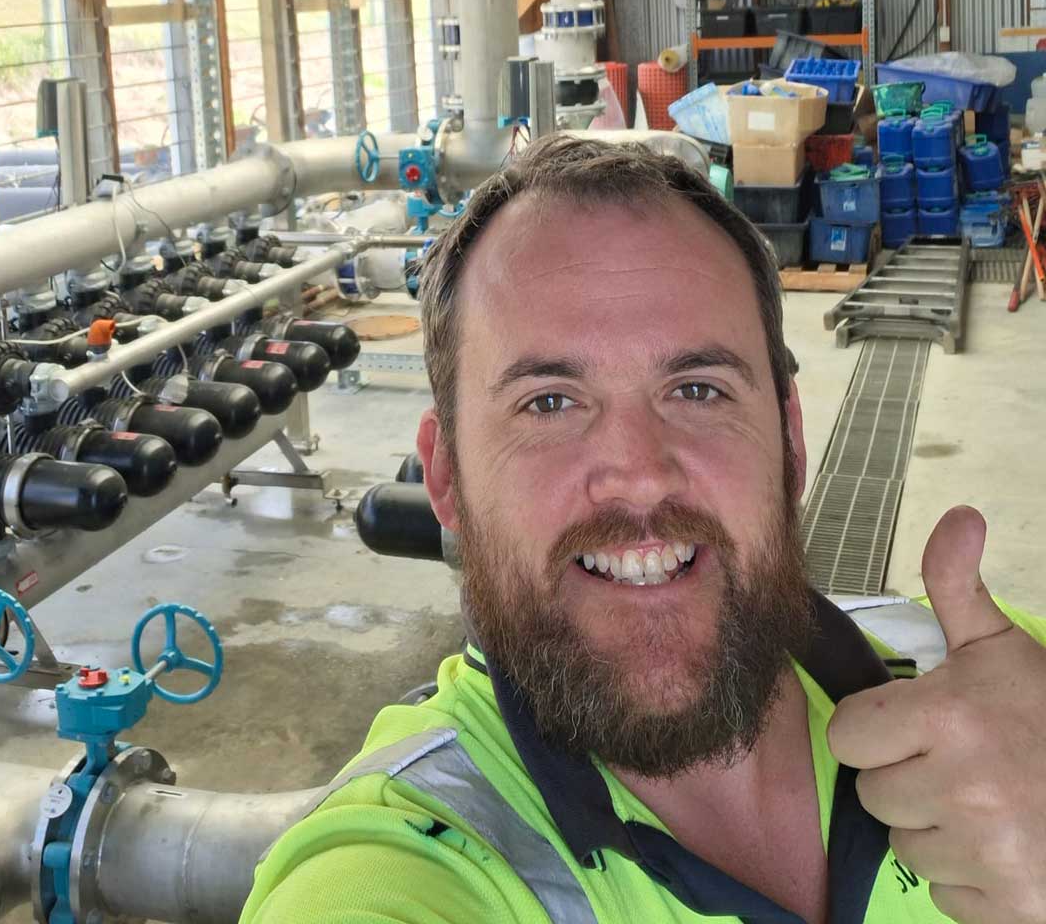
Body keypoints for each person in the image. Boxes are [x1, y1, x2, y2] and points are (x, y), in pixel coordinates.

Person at [242, 134, 1046, 924]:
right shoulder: (407, 858)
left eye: (697, 391)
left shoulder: (1004, 691)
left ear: (792, 443)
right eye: (549, 402)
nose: (639, 472)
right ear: (446, 478)